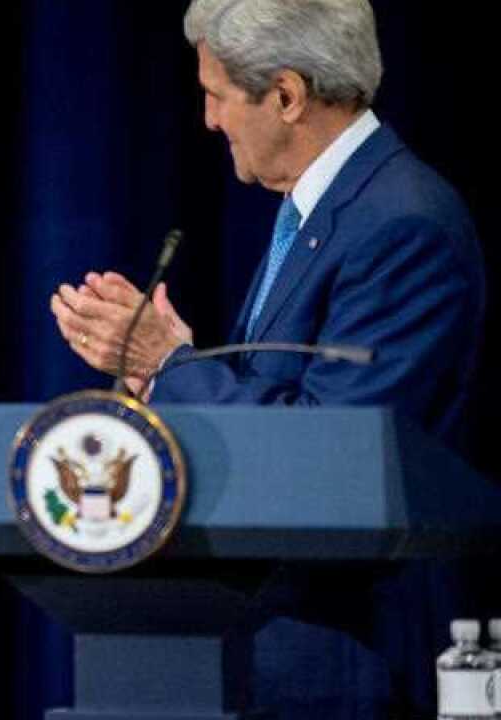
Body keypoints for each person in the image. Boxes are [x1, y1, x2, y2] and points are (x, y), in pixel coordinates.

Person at [50, 0, 485, 716]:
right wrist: (174, 367)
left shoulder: (403, 225)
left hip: (359, 653)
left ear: (285, 95)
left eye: (216, 95)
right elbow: (282, 408)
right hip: (293, 646)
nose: (209, 120)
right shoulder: (327, 212)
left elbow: (330, 457)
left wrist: (172, 368)